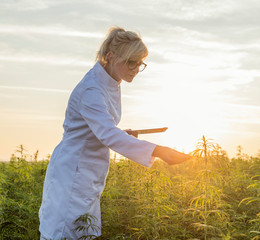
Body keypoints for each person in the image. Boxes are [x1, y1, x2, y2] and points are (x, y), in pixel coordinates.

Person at [39, 26, 191, 239]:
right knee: (64, 233)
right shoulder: (92, 89)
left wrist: (119, 133)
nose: (136, 68)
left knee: (84, 232)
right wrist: (159, 151)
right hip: (72, 173)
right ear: (111, 56)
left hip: (86, 174)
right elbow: (107, 134)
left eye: (140, 63)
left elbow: (101, 129)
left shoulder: (109, 82)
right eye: (131, 62)